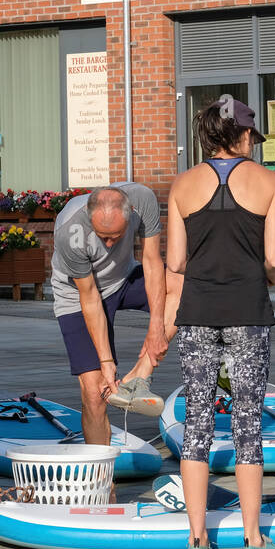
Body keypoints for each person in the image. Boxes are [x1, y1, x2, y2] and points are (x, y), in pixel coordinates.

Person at [167, 96, 275, 549]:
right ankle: (253, 539)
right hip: (248, 310)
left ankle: (197, 539)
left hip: (196, 311)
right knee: (247, 421)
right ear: (241, 135)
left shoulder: (181, 185)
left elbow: (175, 261)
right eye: (251, 136)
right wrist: (264, 273)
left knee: (196, 420)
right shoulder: (268, 181)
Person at [51, 183, 169, 441]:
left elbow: (151, 262)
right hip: (77, 295)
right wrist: (107, 363)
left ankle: (137, 378)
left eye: (114, 236)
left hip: (123, 278)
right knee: (95, 393)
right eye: (102, 236)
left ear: (131, 213)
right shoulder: (69, 231)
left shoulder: (144, 200)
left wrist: (156, 328)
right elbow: (90, 297)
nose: (107, 243)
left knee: (186, 287)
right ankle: (101, 479)